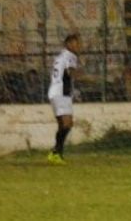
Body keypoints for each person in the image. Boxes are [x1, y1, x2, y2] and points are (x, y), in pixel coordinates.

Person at [47, 34, 82, 165]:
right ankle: (56, 152)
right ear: (68, 44)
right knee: (67, 124)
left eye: (78, 44)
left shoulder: (60, 56)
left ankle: (57, 154)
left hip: (54, 91)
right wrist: (84, 76)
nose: (78, 47)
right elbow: (70, 73)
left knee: (63, 124)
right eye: (75, 44)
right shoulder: (70, 56)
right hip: (61, 92)